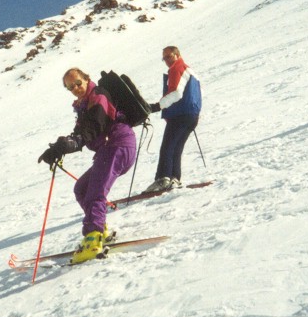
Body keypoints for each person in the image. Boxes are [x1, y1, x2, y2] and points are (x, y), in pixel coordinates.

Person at [38, 68, 137, 264]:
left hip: (117, 145)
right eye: (70, 87)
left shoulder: (98, 96)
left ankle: (93, 239)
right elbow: (80, 133)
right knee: (82, 188)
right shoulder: (84, 104)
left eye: (77, 83)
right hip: (109, 149)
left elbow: (94, 126)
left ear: (86, 79)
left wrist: (73, 142)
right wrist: (59, 148)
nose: (75, 88)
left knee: (95, 193)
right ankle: (100, 229)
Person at [144, 46, 202, 193]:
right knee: (176, 147)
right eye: (164, 58)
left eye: (169, 56)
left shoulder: (177, 68)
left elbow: (176, 93)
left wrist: (158, 106)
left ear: (177, 55)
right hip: (192, 115)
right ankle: (175, 178)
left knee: (167, 147)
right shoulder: (191, 71)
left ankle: (163, 179)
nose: (166, 60)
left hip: (180, 114)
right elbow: (197, 92)